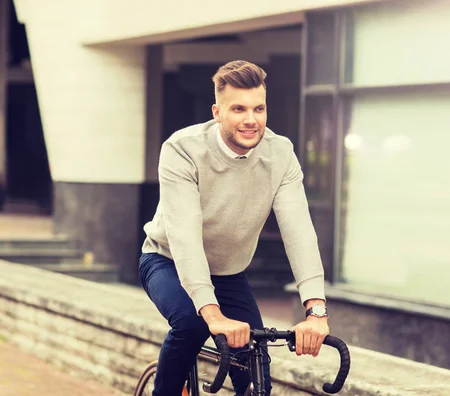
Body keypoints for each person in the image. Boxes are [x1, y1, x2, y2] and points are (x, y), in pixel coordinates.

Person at [138, 60, 329, 396]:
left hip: (228, 273)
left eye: (259, 108)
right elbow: (184, 236)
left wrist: (315, 310)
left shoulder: (280, 153)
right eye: (238, 109)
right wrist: (212, 313)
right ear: (217, 112)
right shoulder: (182, 149)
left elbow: (299, 231)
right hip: (166, 260)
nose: (251, 120)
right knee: (191, 322)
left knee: (256, 372)